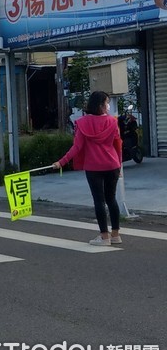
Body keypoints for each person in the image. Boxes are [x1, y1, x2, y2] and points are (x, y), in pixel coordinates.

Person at [52, 91, 123, 246]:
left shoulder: (82, 123)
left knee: (99, 201)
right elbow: (118, 145)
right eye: (106, 102)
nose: (108, 105)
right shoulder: (112, 122)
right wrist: (120, 164)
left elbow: (76, 147)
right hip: (112, 165)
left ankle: (104, 237)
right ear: (100, 105)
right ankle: (116, 235)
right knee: (111, 199)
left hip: (94, 167)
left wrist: (61, 162)